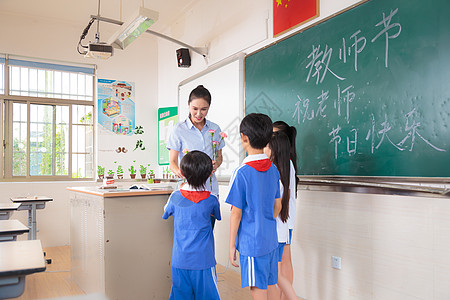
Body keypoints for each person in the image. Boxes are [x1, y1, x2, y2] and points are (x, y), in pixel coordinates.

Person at [226, 113, 282, 300]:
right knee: (270, 283)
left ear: (244, 137)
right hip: (271, 239)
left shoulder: (241, 173)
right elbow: (278, 206)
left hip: (252, 243)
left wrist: (232, 244)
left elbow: (236, 213)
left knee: (257, 289)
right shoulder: (274, 169)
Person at [162, 150, 221, 300]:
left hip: (180, 259)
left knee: (180, 296)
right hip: (204, 260)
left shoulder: (175, 197)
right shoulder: (212, 199)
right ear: (209, 174)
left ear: (182, 172)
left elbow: (166, 212)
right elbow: (217, 215)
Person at [167, 85, 225, 197]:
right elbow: (172, 162)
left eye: (204, 109)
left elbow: (219, 156)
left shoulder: (215, 129)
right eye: (195, 109)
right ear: (188, 105)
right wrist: (183, 174)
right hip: (187, 188)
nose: (199, 114)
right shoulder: (178, 129)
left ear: (209, 107)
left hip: (210, 188)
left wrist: (215, 165)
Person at [264, 131, 299, 300]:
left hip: (276, 229)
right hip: (282, 227)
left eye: (267, 146)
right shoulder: (284, 168)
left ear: (274, 149)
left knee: (275, 274)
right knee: (276, 273)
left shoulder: (274, 172)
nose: (264, 149)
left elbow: (275, 206)